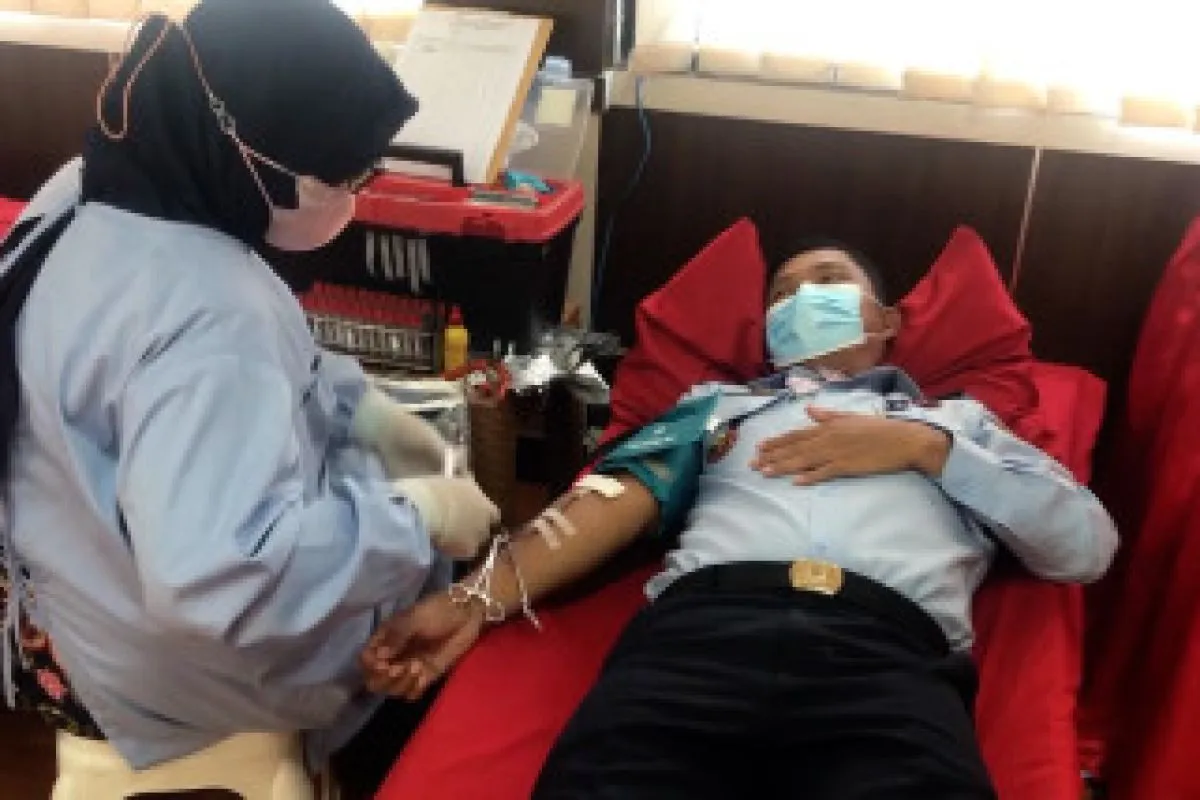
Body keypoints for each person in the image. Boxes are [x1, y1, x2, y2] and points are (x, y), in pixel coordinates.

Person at [363, 241, 1120, 799]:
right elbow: (612, 498)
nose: (802, 298)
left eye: (829, 281)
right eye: (782, 293)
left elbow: (1084, 546)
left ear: (888, 320)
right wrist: (472, 599)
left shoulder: (963, 424)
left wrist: (924, 449)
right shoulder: (717, 406)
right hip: (696, 646)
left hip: (883, 663)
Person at [0, 0, 499, 795]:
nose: (353, 198)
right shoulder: (211, 312)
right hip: (147, 670)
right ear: (245, 146)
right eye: (342, 178)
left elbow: (252, 378)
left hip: (61, 596)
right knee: (422, 631)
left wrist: (361, 409)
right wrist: (417, 520)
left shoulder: (93, 187)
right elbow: (222, 580)